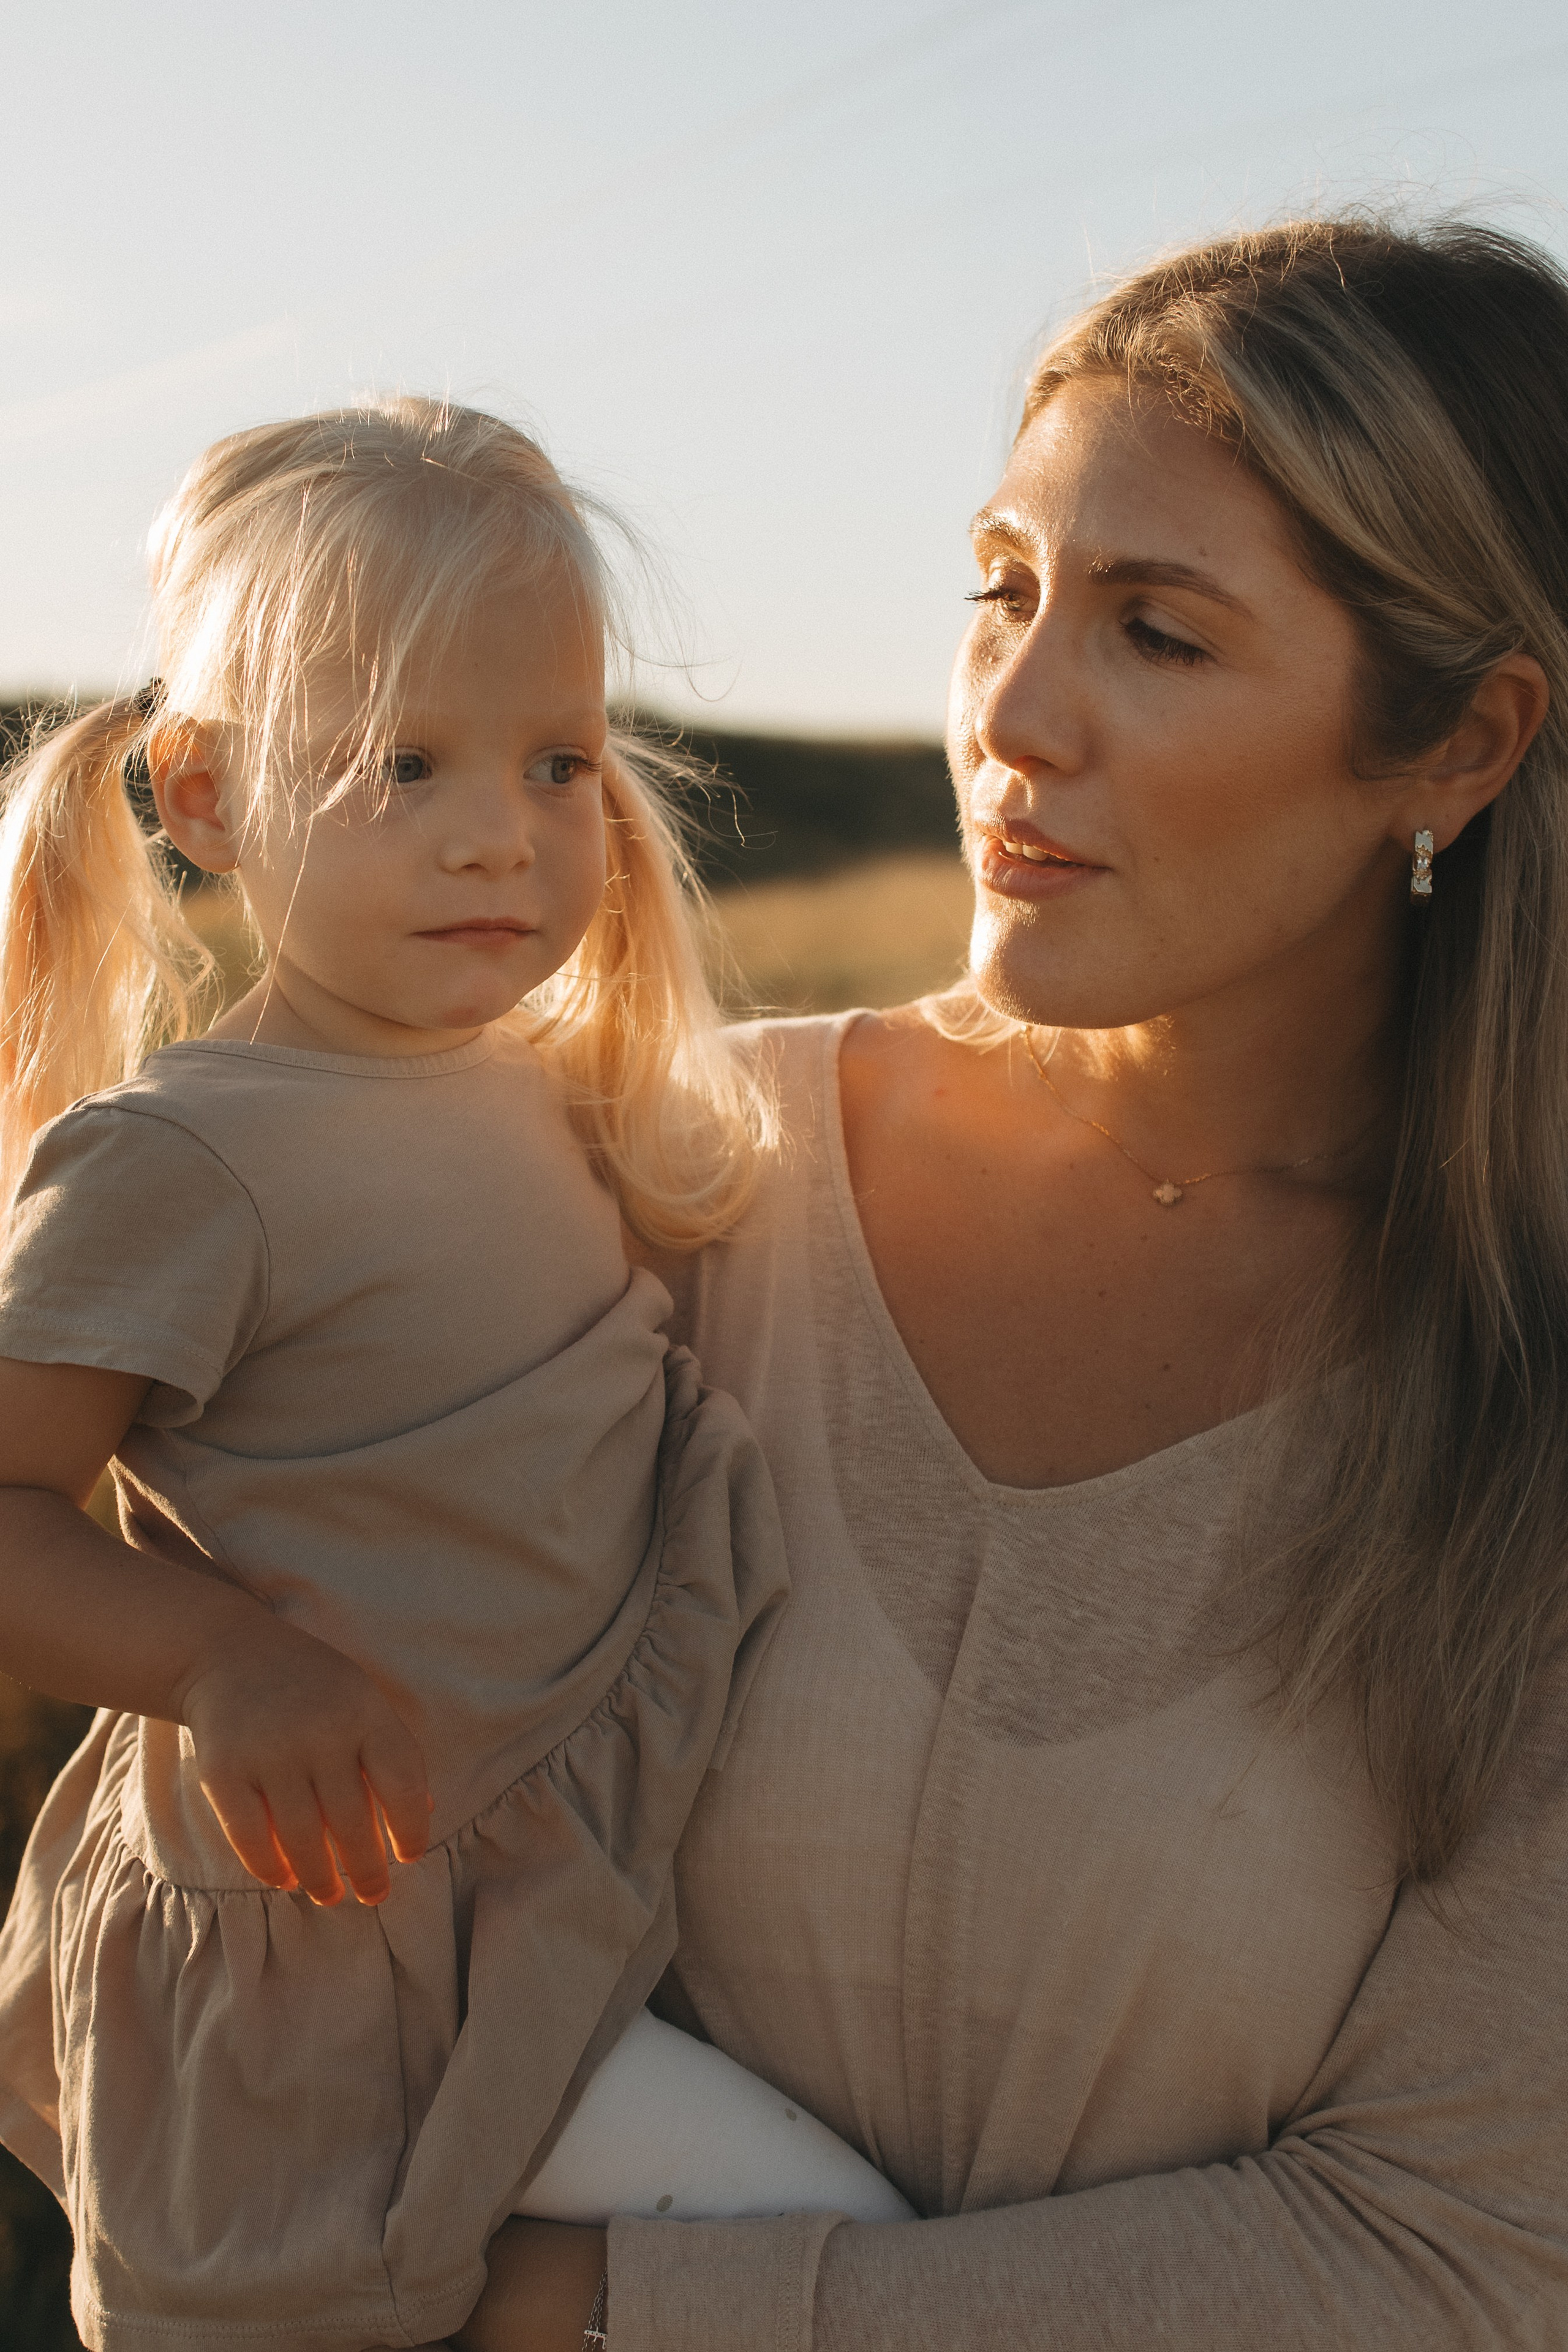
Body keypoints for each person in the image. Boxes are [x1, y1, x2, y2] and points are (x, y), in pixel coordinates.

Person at [466, 217, 1568, 2350]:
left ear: (1460, 743)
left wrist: (593, 2313)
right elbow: (165, 1930)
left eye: (1157, 635)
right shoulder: (651, 1182)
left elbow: (1464, 2257)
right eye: (1003, 590)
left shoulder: (1526, 1401)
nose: (1010, 716)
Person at [0, 400, 908, 2352]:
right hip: (349, 1951)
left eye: (557, 760)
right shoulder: (192, 1154)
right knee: (830, 2245)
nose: (502, 825)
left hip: (555, 1894)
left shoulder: (544, 1090)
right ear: (211, 794)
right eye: (402, 762)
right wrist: (219, 1663)